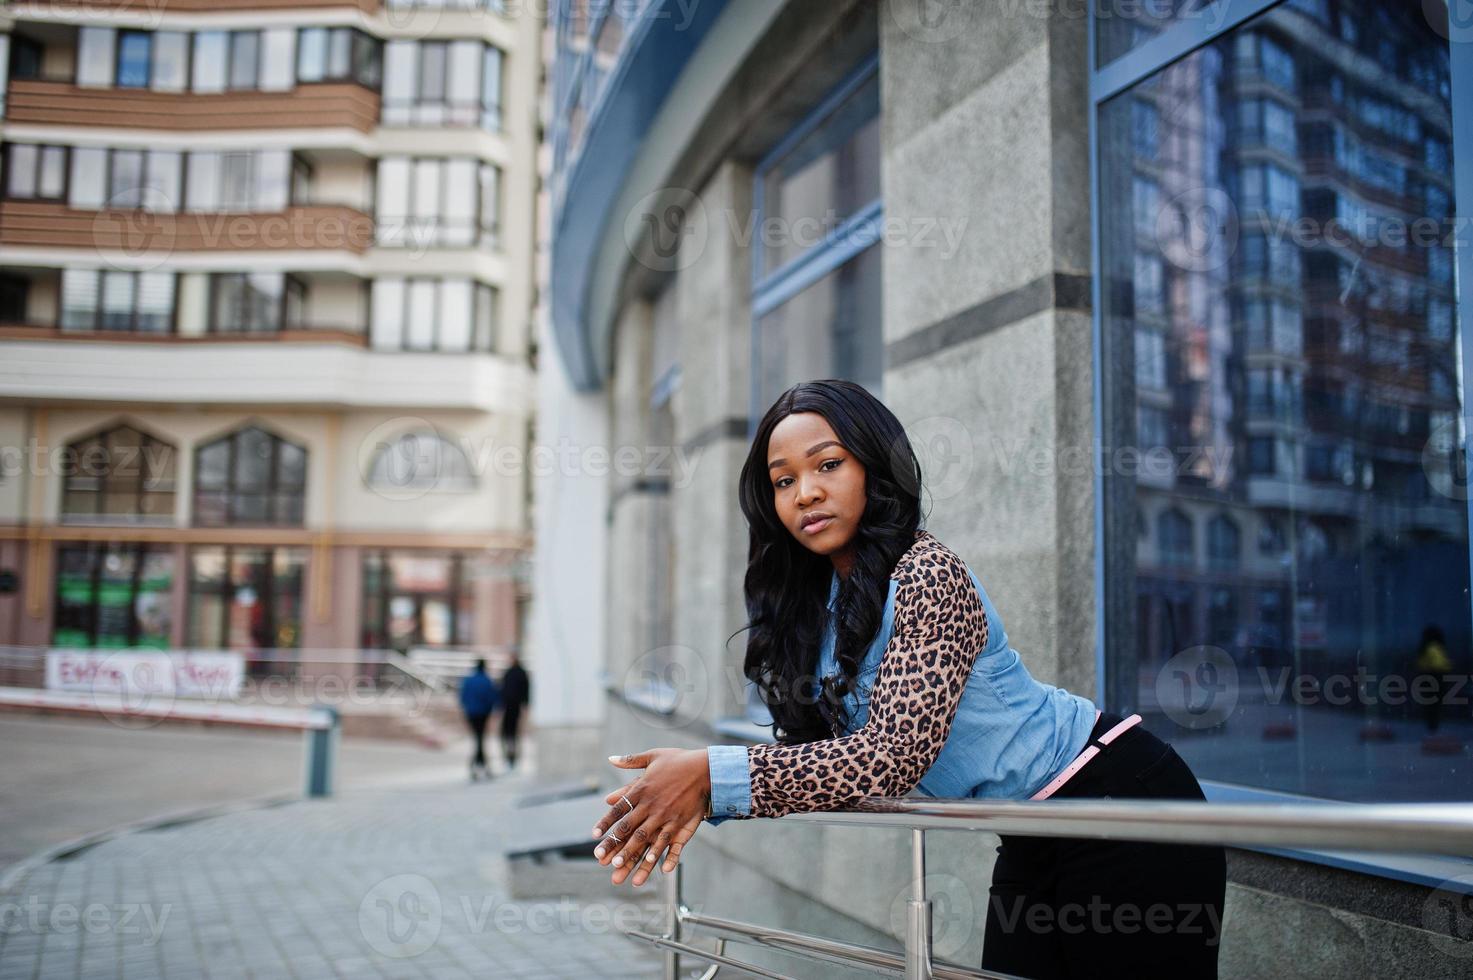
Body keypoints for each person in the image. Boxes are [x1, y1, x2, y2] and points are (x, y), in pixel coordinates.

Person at [590, 379, 1227, 978]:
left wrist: (710, 773)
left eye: (828, 465)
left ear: (873, 465)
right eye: (783, 481)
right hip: (1034, 827)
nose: (806, 492)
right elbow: (822, 760)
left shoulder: (927, 572)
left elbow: (891, 756)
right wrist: (697, 789)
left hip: (1119, 799)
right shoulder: (823, 608)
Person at [458, 659, 500, 781]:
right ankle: (480, 767)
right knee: (480, 740)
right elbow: (492, 697)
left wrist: (467, 708)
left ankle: (479, 767)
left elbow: (463, 696)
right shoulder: (486, 680)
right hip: (482, 713)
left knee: (479, 740)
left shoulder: (469, 680)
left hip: (471, 713)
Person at [1414, 625, 1453, 733]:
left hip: (1428, 678)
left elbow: (1422, 664)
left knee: (1431, 705)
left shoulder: (1426, 648)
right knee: (1434, 705)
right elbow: (1441, 664)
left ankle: (1432, 727)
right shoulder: (1434, 648)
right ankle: (1433, 727)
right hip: (1435, 677)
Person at [499, 655, 531, 770]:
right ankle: (511, 756)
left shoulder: (512, 674)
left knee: (510, 733)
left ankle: (511, 756)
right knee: (511, 733)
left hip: (512, 706)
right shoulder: (518, 673)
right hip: (512, 706)